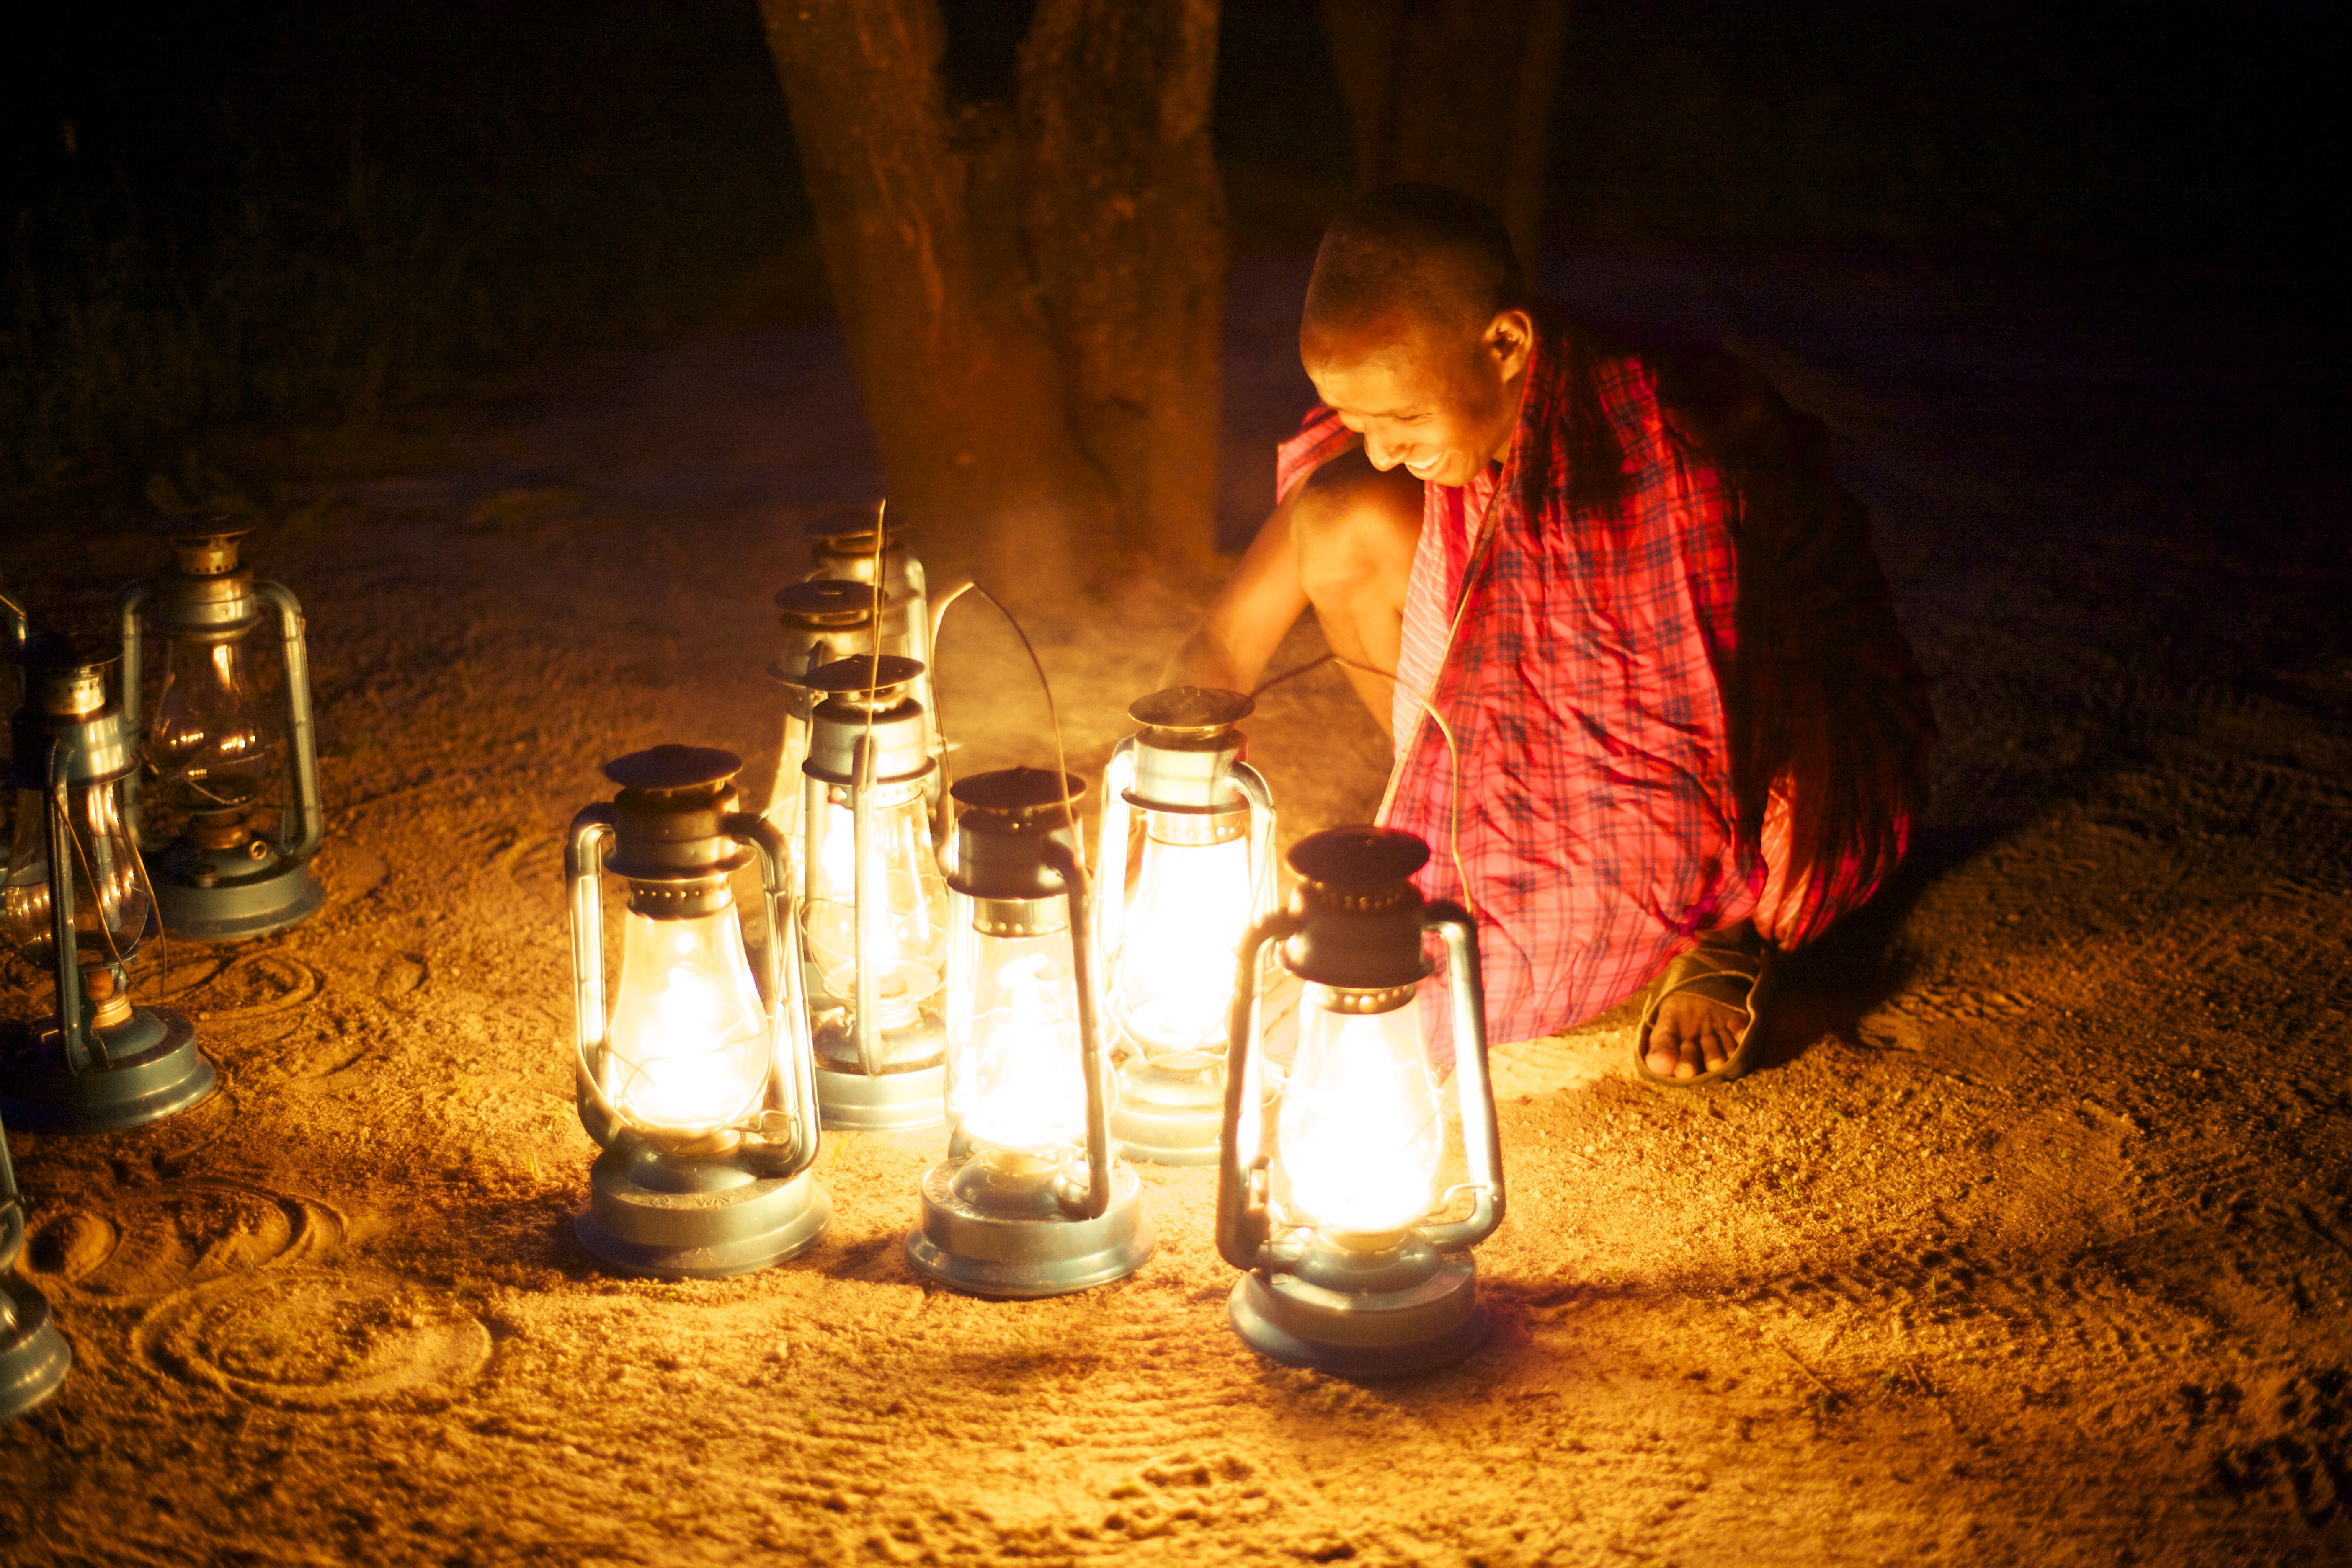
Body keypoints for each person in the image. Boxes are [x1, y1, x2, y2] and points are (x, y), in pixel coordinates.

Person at [1165, 184, 1934, 1086]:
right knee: (1341, 518)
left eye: (1403, 420)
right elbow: (1221, 648)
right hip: (1596, 755)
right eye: (1360, 420)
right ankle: (1462, 819)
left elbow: (1700, 742)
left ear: (1506, 346)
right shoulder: (1421, 426)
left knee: (1741, 862)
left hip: (1772, 747)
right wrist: (1163, 789)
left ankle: (1720, 933)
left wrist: (1570, 891)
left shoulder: (1672, 445)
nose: (1380, 448)